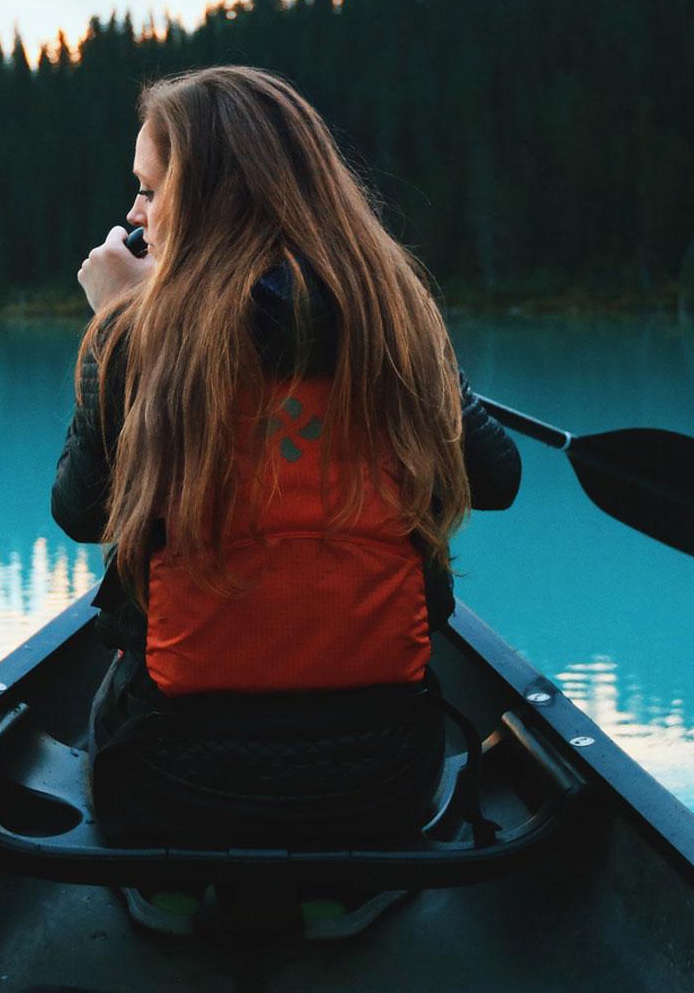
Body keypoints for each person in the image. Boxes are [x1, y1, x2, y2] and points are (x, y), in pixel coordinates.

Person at [52, 66, 520, 852]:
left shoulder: (140, 334)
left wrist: (121, 324)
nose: (133, 216)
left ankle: (172, 889)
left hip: (174, 780)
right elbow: (496, 478)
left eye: (149, 189)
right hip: (383, 778)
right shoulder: (394, 315)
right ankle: (343, 898)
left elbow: (80, 513)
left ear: (206, 199)